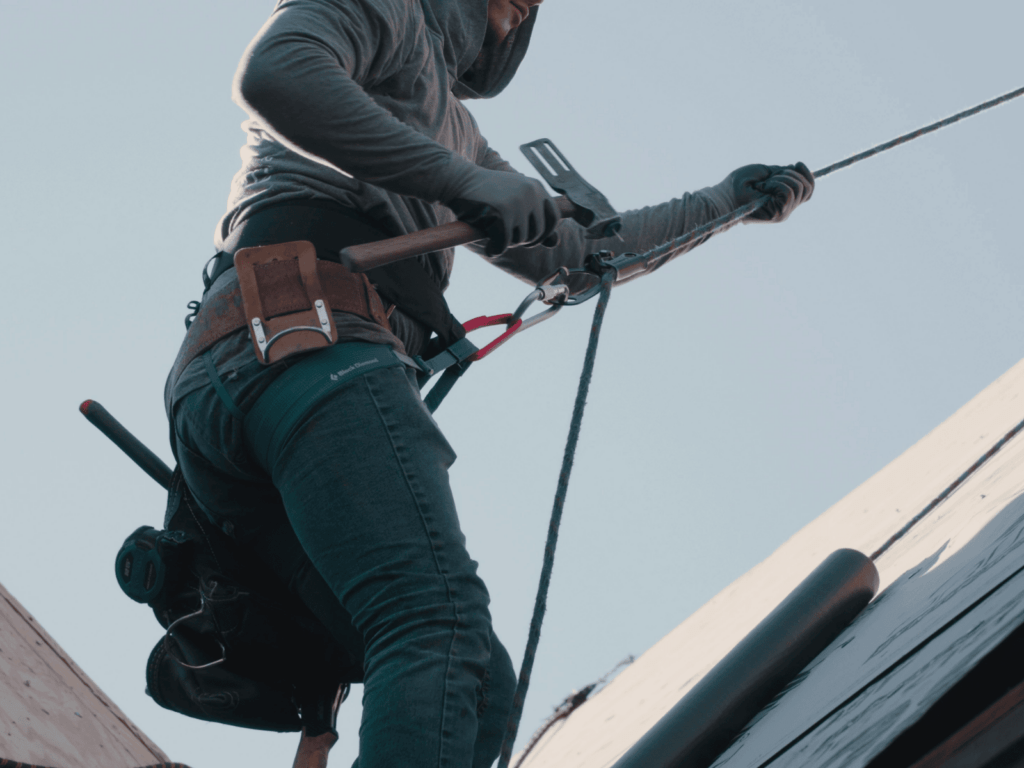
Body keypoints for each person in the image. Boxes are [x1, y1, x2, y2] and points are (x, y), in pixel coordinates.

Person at [164, 0, 814, 766]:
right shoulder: (386, 10)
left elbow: (580, 256)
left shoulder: (457, 134)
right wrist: (461, 182)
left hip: (256, 370)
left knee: (473, 686)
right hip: (302, 338)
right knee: (433, 624)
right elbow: (278, 74)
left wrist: (727, 202)